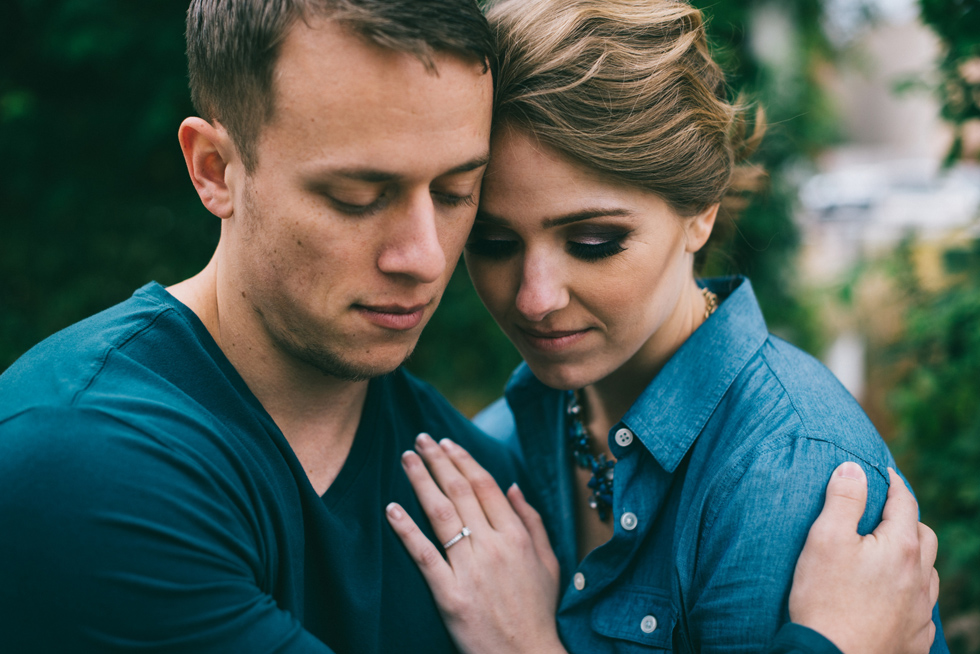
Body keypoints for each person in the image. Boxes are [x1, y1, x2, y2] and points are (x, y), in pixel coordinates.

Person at [0, 1, 936, 653]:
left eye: (454, 195)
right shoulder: (82, 461)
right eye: (357, 196)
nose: (423, 257)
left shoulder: (474, 481)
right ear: (215, 169)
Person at [383, 0, 947, 653]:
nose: (535, 299)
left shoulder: (790, 475)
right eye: (492, 243)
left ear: (700, 210)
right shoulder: (504, 436)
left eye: (593, 242)